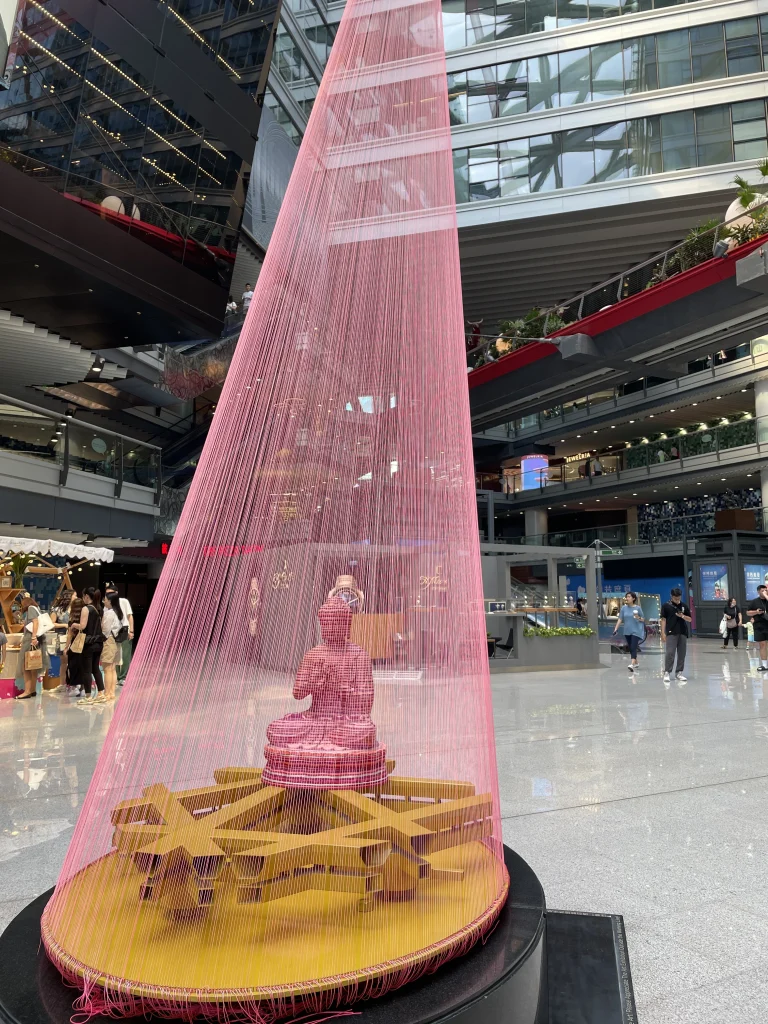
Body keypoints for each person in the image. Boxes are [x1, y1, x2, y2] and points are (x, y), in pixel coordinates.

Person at [70, 588, 105, 705]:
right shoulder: (98, 608)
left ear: (86, 596)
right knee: (96, 669)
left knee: (86, 670)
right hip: (98, 642)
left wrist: (74, 625)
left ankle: (88, 696)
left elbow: (83, 626)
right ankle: (101, 693)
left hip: (88, 642)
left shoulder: (86, 608)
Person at [15, 594, 50, 700]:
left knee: (25, 666)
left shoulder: (30, 608)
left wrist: (33, 637)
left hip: (30, 640)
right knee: (33, 666)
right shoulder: (36, 608)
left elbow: (35, 622)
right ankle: (33, 689)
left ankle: (27, 691)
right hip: (37, 640)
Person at [661, 587, 691, 686]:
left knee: (682, 653)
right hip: (671, 632)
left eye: (678, 598)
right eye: (675, 598)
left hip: (682, 632)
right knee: (670, 652)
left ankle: (679, 673)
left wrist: (682, 616)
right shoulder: (666, 606)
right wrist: (663, 633)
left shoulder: (684, 606)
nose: (677, 600)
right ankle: (667, 672)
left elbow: (690, 619)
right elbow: (663, 620)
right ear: (671, 596)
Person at [105, 585, 134, 684]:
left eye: (110, 593)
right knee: (115, 654)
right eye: (107, 593)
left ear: (116, 592)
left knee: (125, 654)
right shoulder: (107, 602)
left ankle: (123, 676)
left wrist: (131, 631)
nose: (108, 595)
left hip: (124, 630)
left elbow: (129, 616)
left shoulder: (124, 601)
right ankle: (116, 676)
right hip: (112, 632)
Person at [612, 592, 644, 673]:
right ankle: (636, 663)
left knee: (633, 647)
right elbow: (620, 619)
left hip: (636, 630)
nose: (627, 598)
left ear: (633, 598)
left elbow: (643, 619)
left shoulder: (638, 608)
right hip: (627, 630)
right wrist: (616, 628)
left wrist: (638, 617)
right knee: (631, 647)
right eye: (626, 597)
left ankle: (632, 664)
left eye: (629, 597)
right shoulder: (623, 608)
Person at [100, 594, 124, 702]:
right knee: (113, 668)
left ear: (109, 601)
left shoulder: (109, 613)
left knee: (107, 669)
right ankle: (112, 692)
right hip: (116, 641)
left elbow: (105, 629)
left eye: (105, 600)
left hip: (108, 640)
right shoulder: (118, 612)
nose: (103, 601)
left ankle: (107, 693)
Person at [64, 595, 84, 696]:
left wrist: (66, 647)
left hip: (74, 646)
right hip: (84, 645)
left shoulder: (72, 621)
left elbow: (70, 634)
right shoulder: (85, 619)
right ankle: (83, 687)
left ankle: (74, 686)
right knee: (83, 666)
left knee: (72, 666)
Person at [747, 584, 768, 671]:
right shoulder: (754, 602)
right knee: (762, 644)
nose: (764, 592)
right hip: (759, 625)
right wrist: (756, 612)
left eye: (765, 590)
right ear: (758, 591)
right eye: (762, 591)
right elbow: (748, 613)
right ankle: (764, 665)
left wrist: (766, 596)